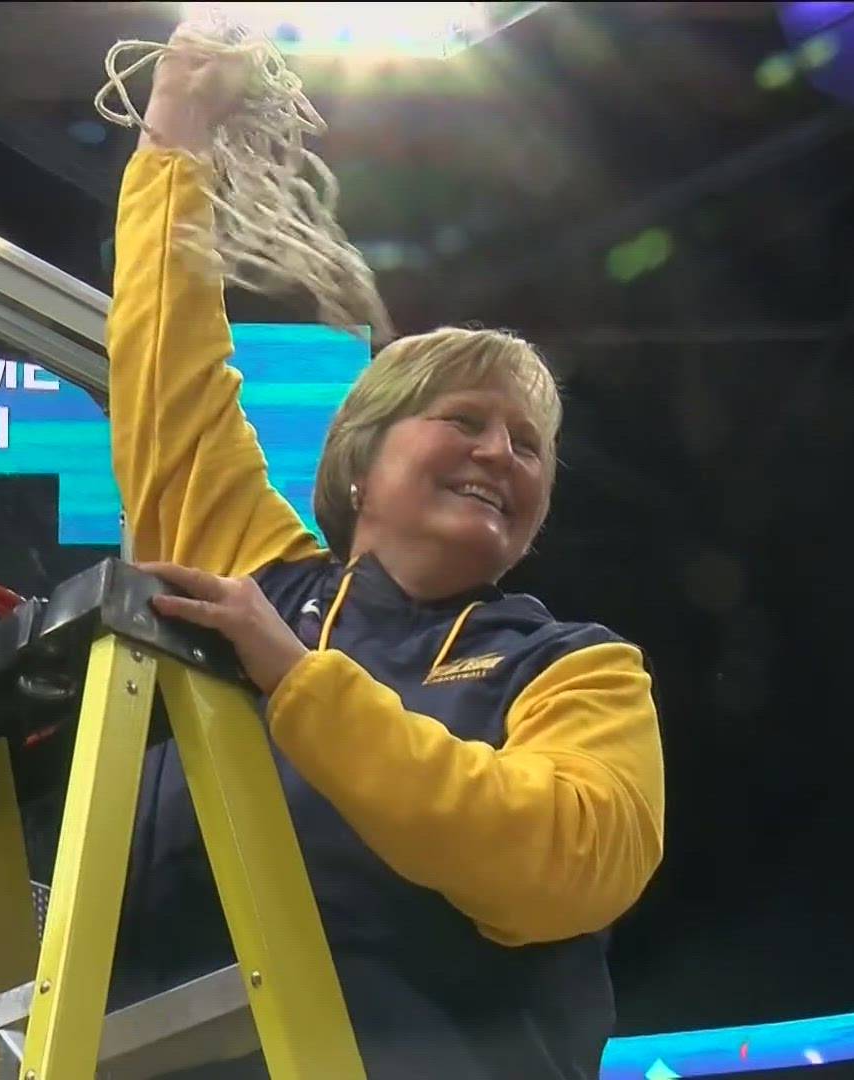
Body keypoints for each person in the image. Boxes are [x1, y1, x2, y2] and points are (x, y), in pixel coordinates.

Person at [104, 31, 667, 1080]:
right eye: (464, 421)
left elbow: (566, 861)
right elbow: (163, 363)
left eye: (529, 444)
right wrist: (175, 125)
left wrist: (300, 684)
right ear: (362, 461)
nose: (500, 452)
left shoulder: (574, 667)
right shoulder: (255, 572)